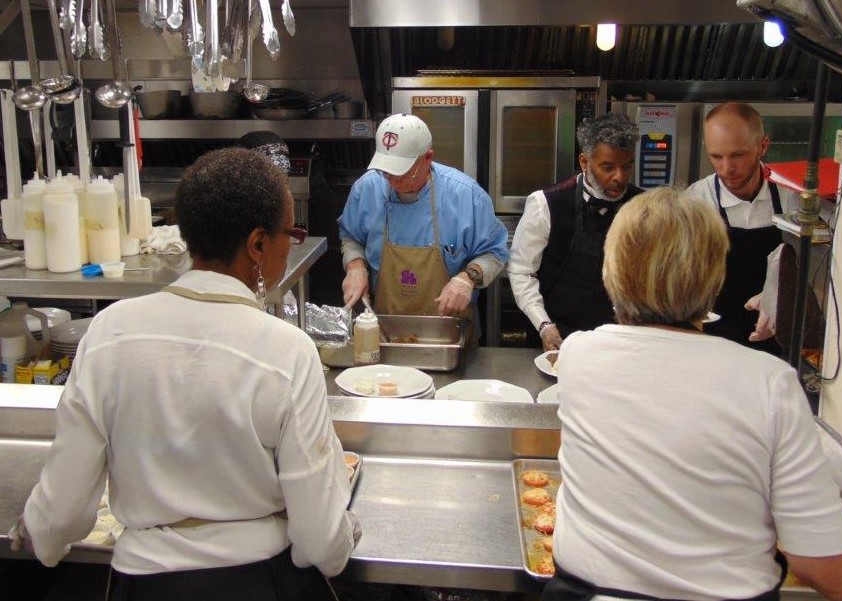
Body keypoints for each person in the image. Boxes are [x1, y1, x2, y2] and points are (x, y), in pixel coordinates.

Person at [10, 148, 360, 601]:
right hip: (258, 583)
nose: (289, 245)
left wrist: (39, 535)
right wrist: (344, 534)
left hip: (143, 585)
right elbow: (320, 541)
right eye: (289, 234)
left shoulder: (110, 332)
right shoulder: (287, 350)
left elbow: (60, 512)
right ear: (257, 245)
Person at [546, 187, 842, 601]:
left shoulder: (580, 354)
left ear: (612, 271)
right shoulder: (769, 381)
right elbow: (832, 575)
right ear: (714, 276)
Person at [338, 114, 509, 338]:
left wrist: (466, 279)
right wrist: (355, 266)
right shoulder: (367, 188)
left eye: (402, 171)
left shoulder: (465, 195)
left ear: (428, 158)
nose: (392, 180)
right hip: (385, 330)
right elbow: (351, 237)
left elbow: (495, 252)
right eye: (386, 171)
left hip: (449, 333)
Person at [507, 113, 643, 352]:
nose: (619, 177)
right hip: (557, 338)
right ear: (584, 161)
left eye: (627, 166)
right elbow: (521, 271)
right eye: (607, 167)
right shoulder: (546, 203)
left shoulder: (644, 206)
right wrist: (544, 324)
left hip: (621, 339)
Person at [686, 102, 799, 354]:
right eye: (717, 156)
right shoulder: (696, 201)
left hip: (779, 333)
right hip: (715, 335)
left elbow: (815, 267)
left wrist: (777, 295)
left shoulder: (792, 195)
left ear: (763, 146)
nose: (727, 168)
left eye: (737, 155)